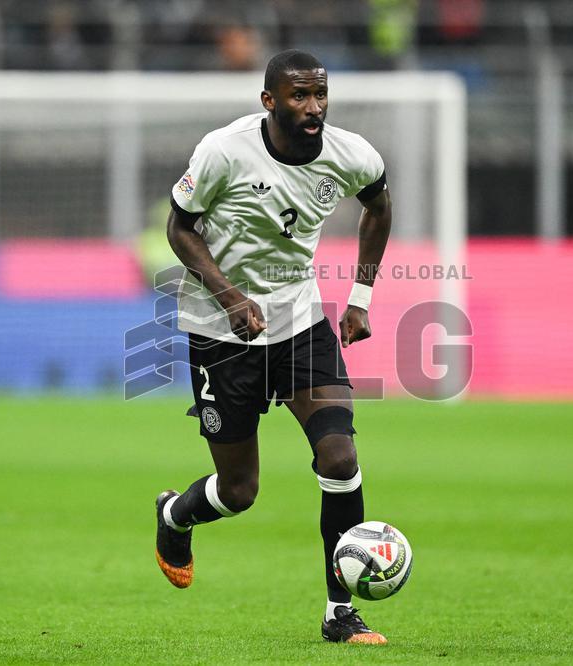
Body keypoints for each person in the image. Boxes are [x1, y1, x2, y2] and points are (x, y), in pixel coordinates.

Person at [155, 49, 392, 645]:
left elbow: (378, 205)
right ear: (269, 102)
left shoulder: (352, 155)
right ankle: (175, 514)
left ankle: (340, 611)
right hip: (220, 329)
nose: (313, 108)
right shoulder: (223, 151)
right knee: (239, 492)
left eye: (320, 95)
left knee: (339, 461)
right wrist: (231, 297)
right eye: (298, 97)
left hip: (300, 321)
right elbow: (179, 228)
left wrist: (360, 297)